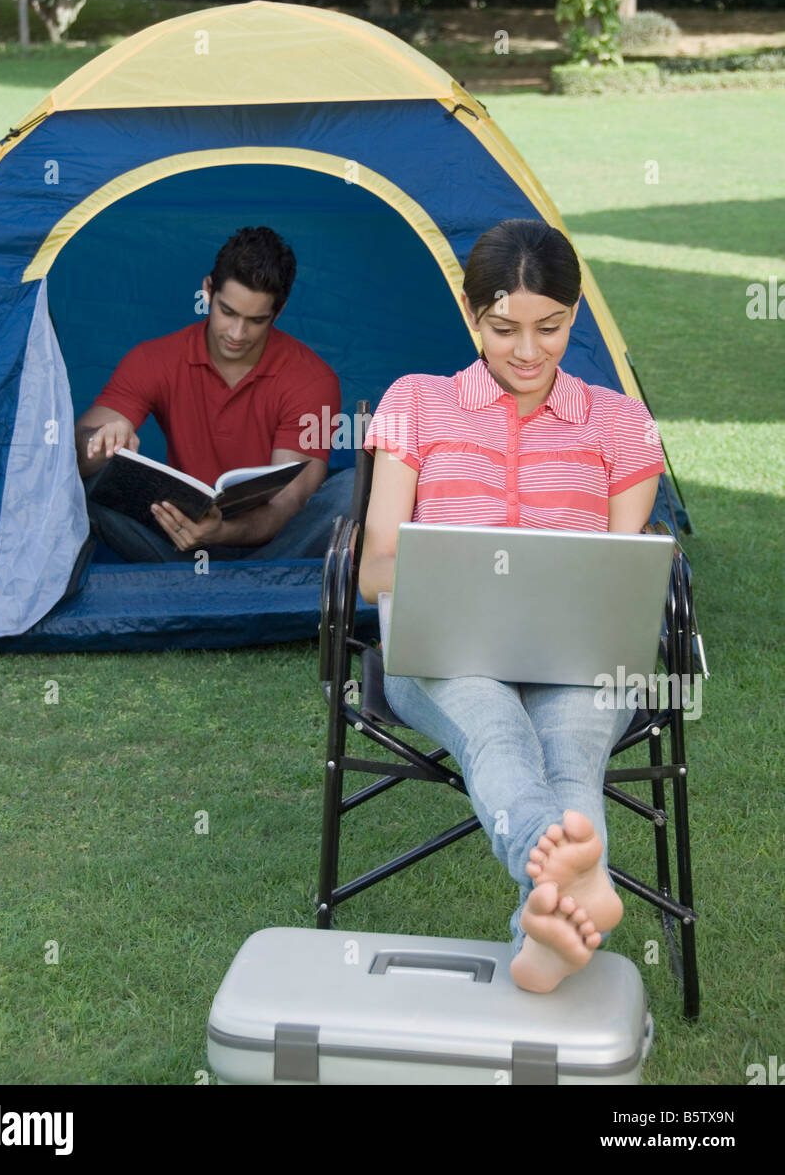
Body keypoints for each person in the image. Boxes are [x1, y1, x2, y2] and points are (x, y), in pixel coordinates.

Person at [358, 219, 666, 994]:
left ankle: (549, 919)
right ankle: (562, 877)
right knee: (495, 730)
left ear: (574, 316)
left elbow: (621, 570)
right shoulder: (415, 404)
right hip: (444, 651)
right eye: (502, 329)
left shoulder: (622, 425)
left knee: (567, 751)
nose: (527, 352)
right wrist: (415, 572)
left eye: (550, 328)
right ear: (471, 315)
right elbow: (372, 569)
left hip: (579, 657)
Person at [75, 225, 353, 563]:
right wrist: (100, 444)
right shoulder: (153, 360)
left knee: (351, 490)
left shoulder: (312, 378)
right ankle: (208, 595)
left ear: (278, 313)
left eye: (256, 320)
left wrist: (223, 531)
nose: (237, 333)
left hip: (273, 556)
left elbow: (288, 502)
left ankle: (247, 597)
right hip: (175, 544)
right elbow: (71, 459)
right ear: (208, 290)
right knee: (85, 480)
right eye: (228, 312)